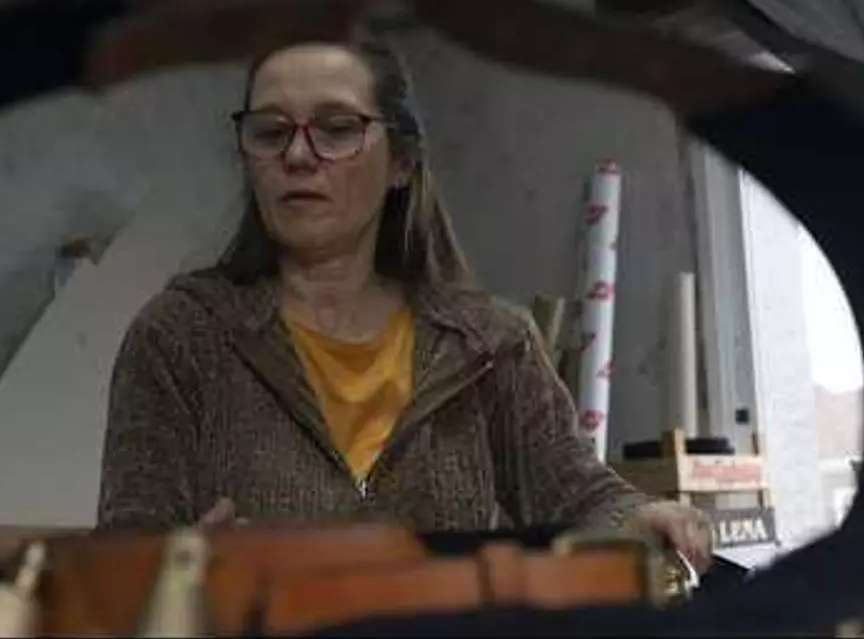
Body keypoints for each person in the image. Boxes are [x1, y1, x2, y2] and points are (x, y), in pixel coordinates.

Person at [97, 37, 712, 570]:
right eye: (271, 132)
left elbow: (578, 494)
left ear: (401, 162)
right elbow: (119, 566)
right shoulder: (181, 337)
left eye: (337, 128)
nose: (298, 155)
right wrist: (174, 569)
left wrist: (637, 516)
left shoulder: (490, 344)